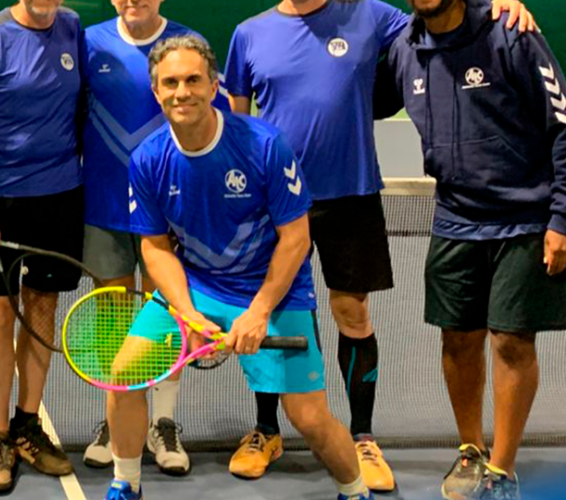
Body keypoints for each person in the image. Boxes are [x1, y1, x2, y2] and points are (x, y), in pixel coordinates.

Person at [223, 0, 533, 490]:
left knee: (352, 313)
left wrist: (497, 3)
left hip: (352, 194)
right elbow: (237, 128)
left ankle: (362, 438)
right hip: (276, 202)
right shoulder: (248, 34)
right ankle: (266, 430)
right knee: (276, 313)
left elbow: (446, 20)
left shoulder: (371, 15)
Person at [105, 34, 372, 500]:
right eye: (170, 83)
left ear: (214, 87)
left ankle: (355, 492)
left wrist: (259, 311)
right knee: (124, 375)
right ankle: (126, 484)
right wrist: (187, 314)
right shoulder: (147, 159)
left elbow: (296, 238)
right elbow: (155, 247)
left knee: (308, 417)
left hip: (273, 290)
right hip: (197, 284)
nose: (182, 92)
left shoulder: (263, 145)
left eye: (193, 80)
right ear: (156, 91)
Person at [377, 0, 566, 498]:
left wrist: (562, 217)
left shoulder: (511, 33)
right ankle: (471, 451)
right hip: (454, 219)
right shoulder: (404, 49)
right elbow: (349, 96)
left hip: (524, 218)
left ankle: (502, 471)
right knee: (458, 341)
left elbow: (562, 126)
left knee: (511, 341)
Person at [0, 0, 83, 491]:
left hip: (61, 195)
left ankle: (28, 424)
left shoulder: (71, 28)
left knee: (42, 306)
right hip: (3, 198)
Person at [79, 0, 214, 475]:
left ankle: (163, 421)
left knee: (167, 314)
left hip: (169, 210)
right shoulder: (90, 42)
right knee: (113, 315)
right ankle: (118, 415)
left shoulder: (187, 46)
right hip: (104, 203)